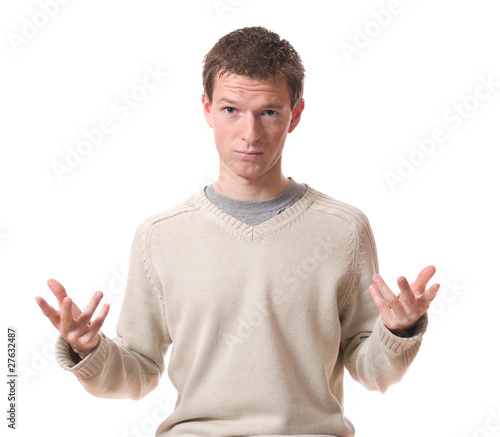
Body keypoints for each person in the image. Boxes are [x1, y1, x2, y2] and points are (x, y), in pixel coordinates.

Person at [35, 26, 440, 436]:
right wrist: (87, 349)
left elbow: (372, 372)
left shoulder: (343, 229)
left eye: (268, 112)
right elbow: (138, 372)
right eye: (231, 110)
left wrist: (398, 331)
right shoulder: (160, 236)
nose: (250, 134)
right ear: (207, 109)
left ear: (294, 115)